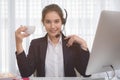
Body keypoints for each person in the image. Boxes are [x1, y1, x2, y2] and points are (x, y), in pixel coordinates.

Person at [15, 4, 90, 77]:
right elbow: (25, 73)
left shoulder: (72, 44)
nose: (52, 26)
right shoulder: (36, 44)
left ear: (62, 22)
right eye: (48, 22)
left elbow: (86, 73)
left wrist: (83, 44)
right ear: (43, 23)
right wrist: (18, 43)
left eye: (56, 21)